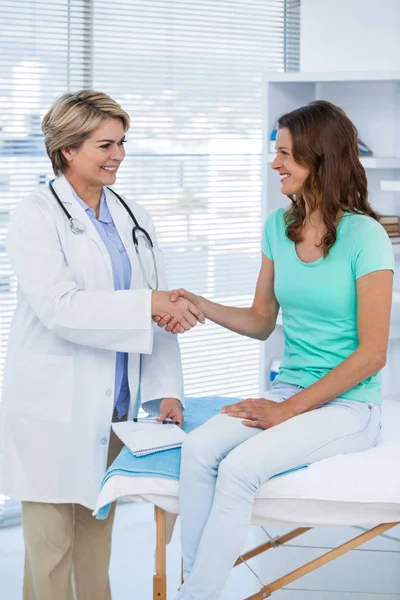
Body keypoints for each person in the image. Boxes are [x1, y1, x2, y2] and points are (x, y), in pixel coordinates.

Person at [156, 100, 395, 600]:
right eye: (275, 152)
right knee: (199, 451)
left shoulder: (365, 236)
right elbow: (262, 321)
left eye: (285, 153)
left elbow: (373, 354)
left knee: (240, 469)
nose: (275, 164)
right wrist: (201, 304)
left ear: (320, 158)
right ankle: (195, 590)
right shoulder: (277, 227)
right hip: (291, 387)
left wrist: (286, 410)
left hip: (350, 405)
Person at [0, 90, 203, 600]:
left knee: (97, 539)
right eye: (104, 144)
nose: (117, 155)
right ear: (67, 148)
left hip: (116, 407)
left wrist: (165, 392)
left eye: (121, 143)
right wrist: (148, 303)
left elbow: (156, 309)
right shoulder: (35, 215)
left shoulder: (132, 215)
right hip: (53, 408)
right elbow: (60, 308)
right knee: (50, 550)